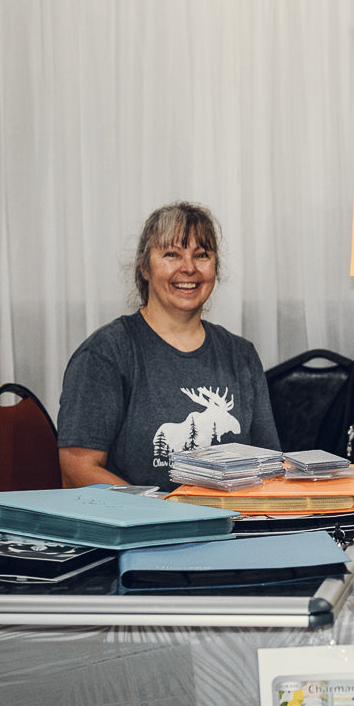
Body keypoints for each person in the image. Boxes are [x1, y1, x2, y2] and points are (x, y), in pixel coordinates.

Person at [57, 201, 280, 490]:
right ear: (144, 267)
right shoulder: (106, 353)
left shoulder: (241, 355)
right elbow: (77, 471)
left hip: (234, 518)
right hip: (143, 519)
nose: (189, 268)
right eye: (171, 254)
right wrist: (164, 510)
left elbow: (269, 466)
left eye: (201, 255)